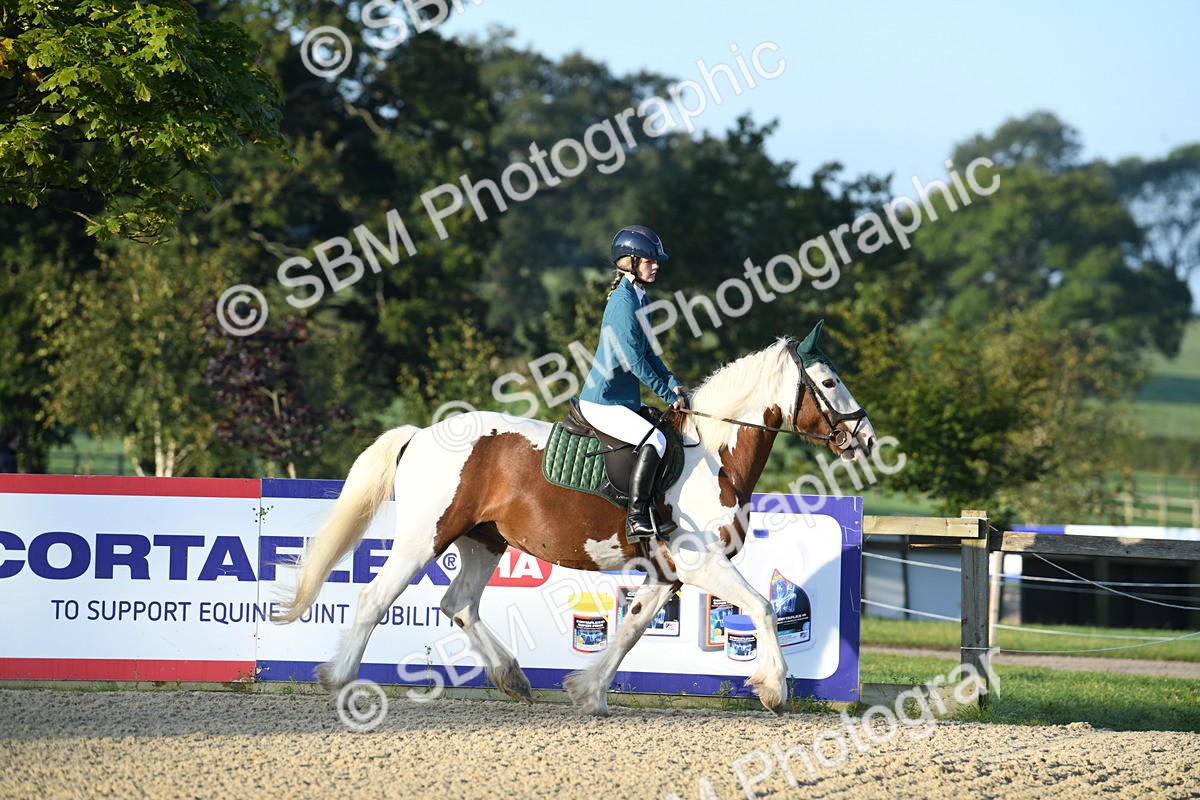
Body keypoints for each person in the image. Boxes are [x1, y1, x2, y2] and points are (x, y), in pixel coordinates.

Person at [580, 225, 688, 542]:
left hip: (622, 399)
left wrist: (674, 384)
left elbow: (650, 353)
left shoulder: (640, 297)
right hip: (603, 401)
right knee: (655, 441)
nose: (656, 265)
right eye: (649, 260)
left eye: (656, 261)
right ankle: (637, 517)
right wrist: (667, 394)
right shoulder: (623, 302)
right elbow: (634, 362)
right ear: (629, 261)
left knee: (666, 431)